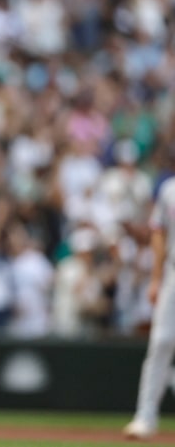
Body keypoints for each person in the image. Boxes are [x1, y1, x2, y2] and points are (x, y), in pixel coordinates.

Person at [124, 177, 175, 440]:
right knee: (161, 342)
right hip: (173, 275)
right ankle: (145, 417)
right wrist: (156, 278)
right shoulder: (169, 189)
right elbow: (158, 233)